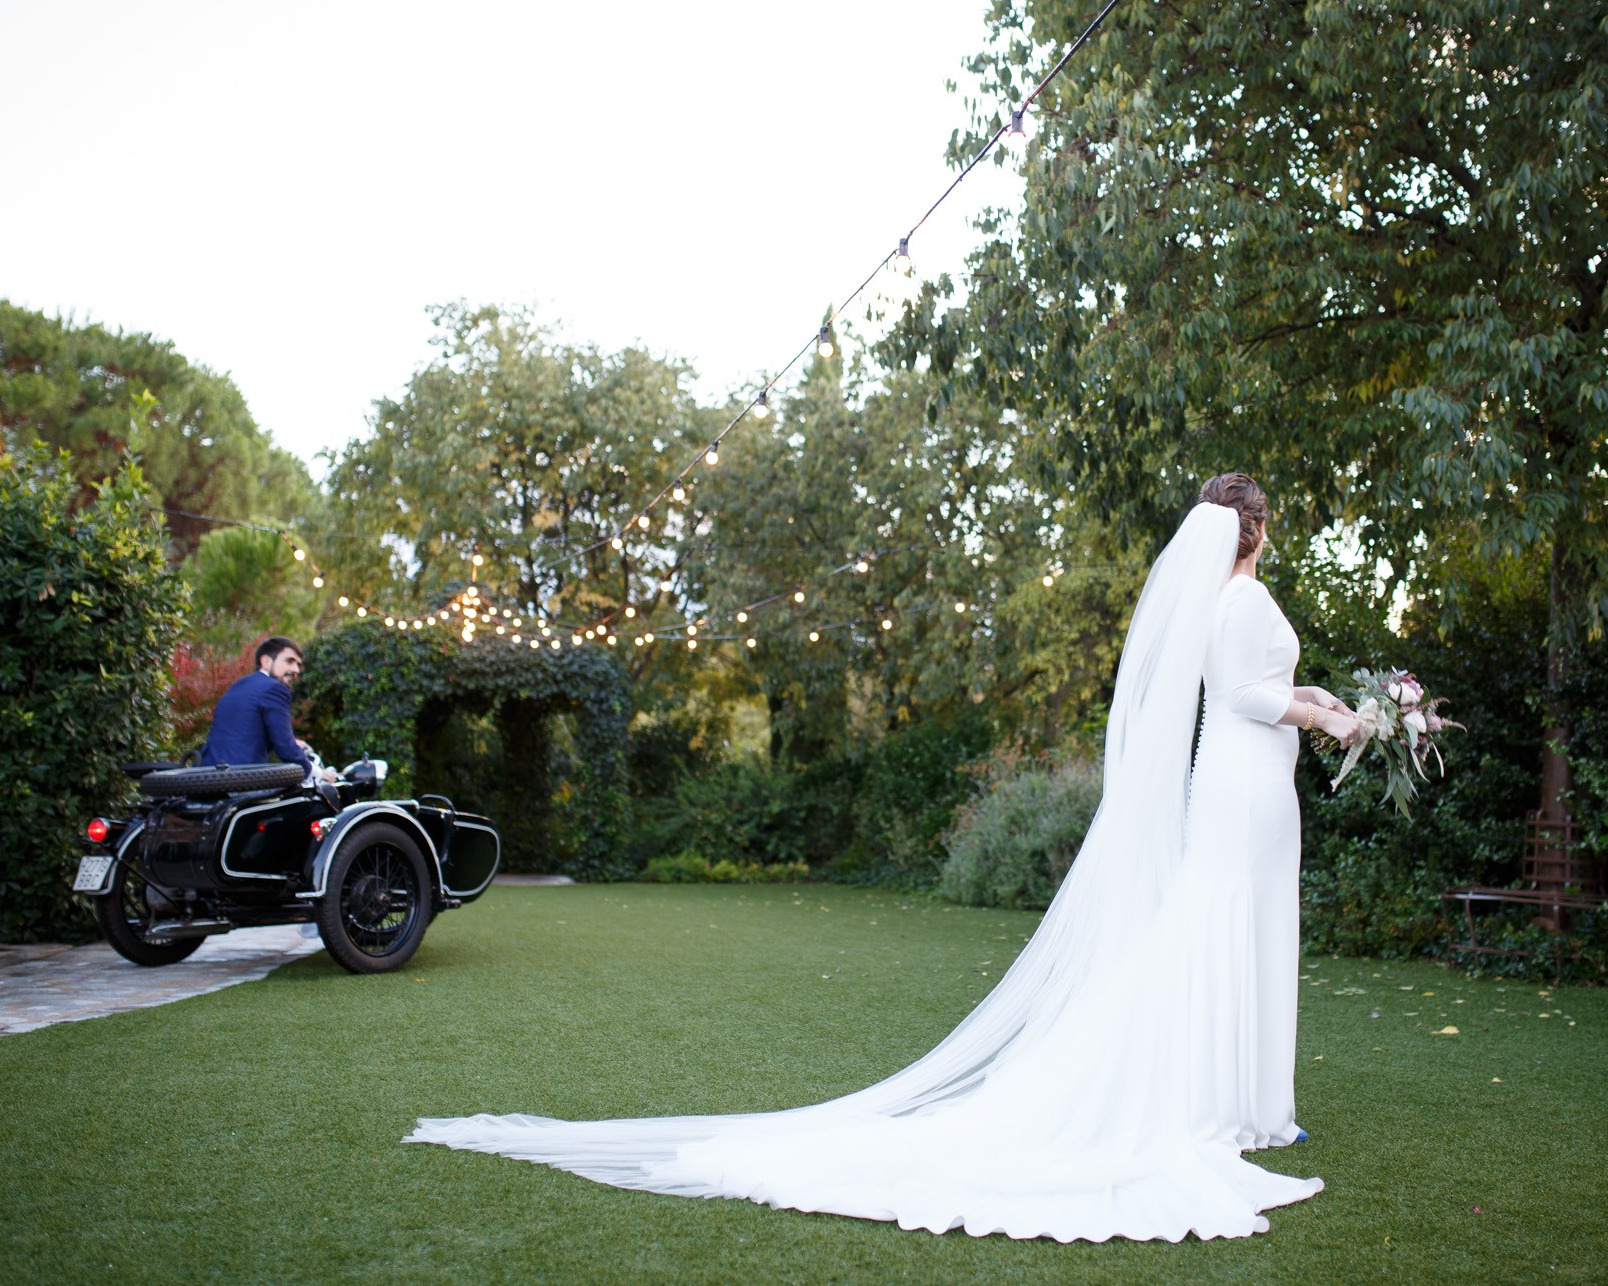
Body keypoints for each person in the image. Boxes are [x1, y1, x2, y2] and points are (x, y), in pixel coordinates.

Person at [409, 477, 1366, 1242]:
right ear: (1257, 529)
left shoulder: (1226, 601)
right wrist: (1324, 713)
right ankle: (1224, 1105)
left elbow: (1255, 683)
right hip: (1243, 784)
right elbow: (1243, 696)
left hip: (1252, 787)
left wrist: (1321, 696)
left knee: (1234, 930)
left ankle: (1242, 1102)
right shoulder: (1237, 602)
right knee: (1225, 926)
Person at [198, 636, 332, 782]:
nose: (296, 670)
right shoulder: (275, 688)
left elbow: (241, 731)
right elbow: (285, 749)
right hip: (243, 781)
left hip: (206, 776)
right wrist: (318, 773)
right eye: (289, 661)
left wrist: (290, 741)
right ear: (266, 661)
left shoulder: (238, 686)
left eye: (298, 665)